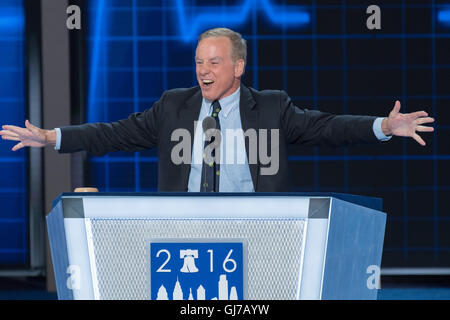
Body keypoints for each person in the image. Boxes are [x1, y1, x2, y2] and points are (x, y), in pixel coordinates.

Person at [0, 28, 434, 192]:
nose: (203, 71)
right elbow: (114, 134)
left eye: (214, 62)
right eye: (199, 61)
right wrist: (52, 137)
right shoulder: (174, 106)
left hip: (256, 226)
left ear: (238, 67)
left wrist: (383, 125)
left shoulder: (271, 106)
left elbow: (328, 128)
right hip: (184, 228)